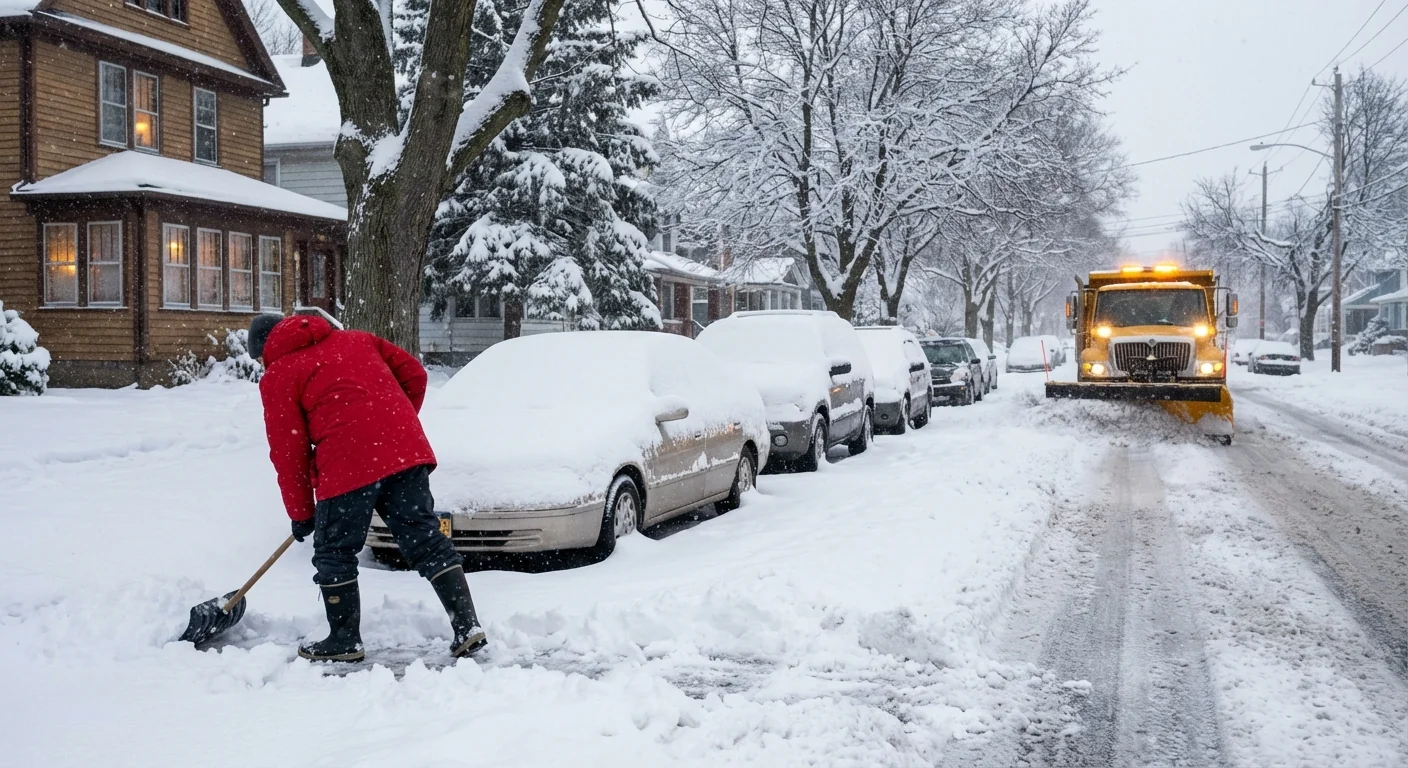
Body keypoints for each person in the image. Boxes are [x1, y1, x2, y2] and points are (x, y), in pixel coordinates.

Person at [247, 312, 487, 663]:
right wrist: (390, 424)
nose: (260, 365)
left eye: (258, 358)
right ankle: (467, 626)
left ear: (265, 348)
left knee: (334, 551)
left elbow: (288, 452)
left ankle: (343, 640)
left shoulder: (279, 374)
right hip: (405, 453)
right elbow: (415, 375)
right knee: (425, 539)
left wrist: (301, 514)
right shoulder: (358, 340)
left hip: (348, 463)